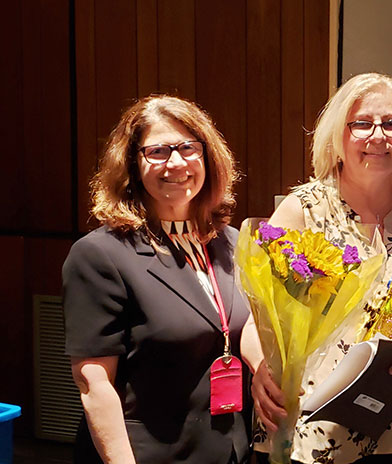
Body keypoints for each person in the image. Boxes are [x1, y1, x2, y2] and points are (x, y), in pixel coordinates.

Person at [243, 72, 392, 464]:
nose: (378, 136)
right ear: (338, 137)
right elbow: (254, 319)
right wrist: (260, 366)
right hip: (306, 434)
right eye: (362, 123)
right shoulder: (302, 211)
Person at [63, 95, 251, 463]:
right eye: (158, 151)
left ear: (208, 157)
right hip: (145, 454)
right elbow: (94, 383)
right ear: (132, 165)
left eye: (188, 148)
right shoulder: (100, 255)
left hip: (229, 450)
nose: (176, 163)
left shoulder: (232, 243)